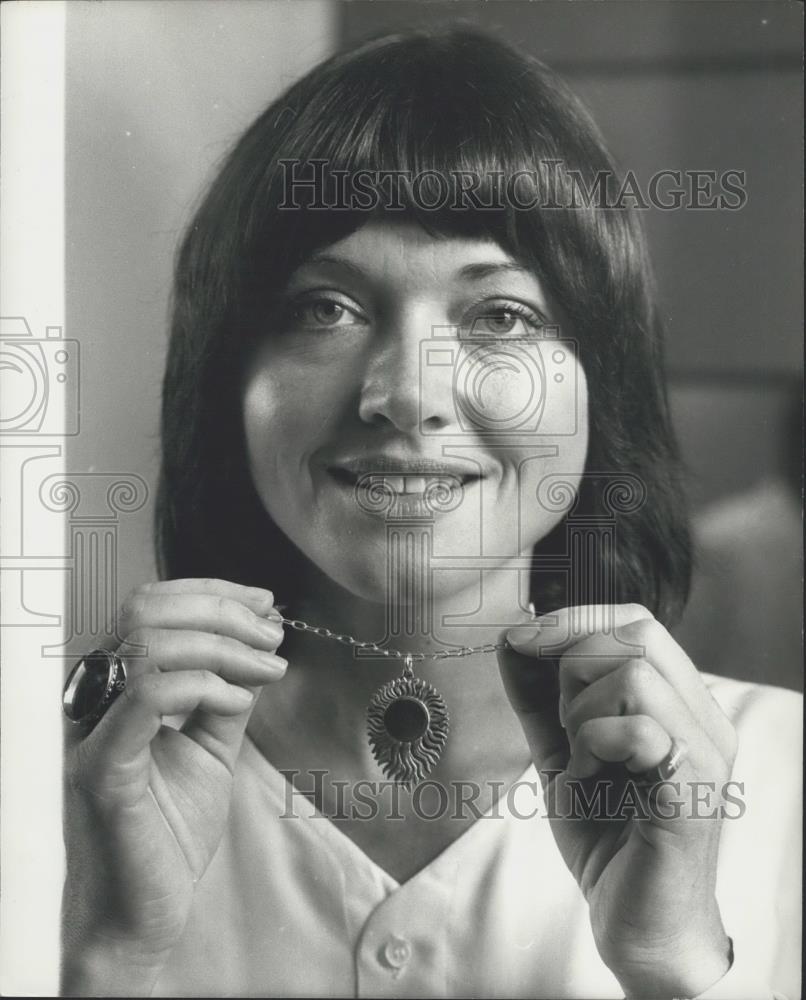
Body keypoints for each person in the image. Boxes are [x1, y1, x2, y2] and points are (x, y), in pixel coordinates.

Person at [60, 28, 801, 998]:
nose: (407, 392)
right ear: (223, 381)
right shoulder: (70, 781)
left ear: (599, 387)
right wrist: (112, 955)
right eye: (324, 307)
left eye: (499, 315)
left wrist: (671, 967)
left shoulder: (781, 779)